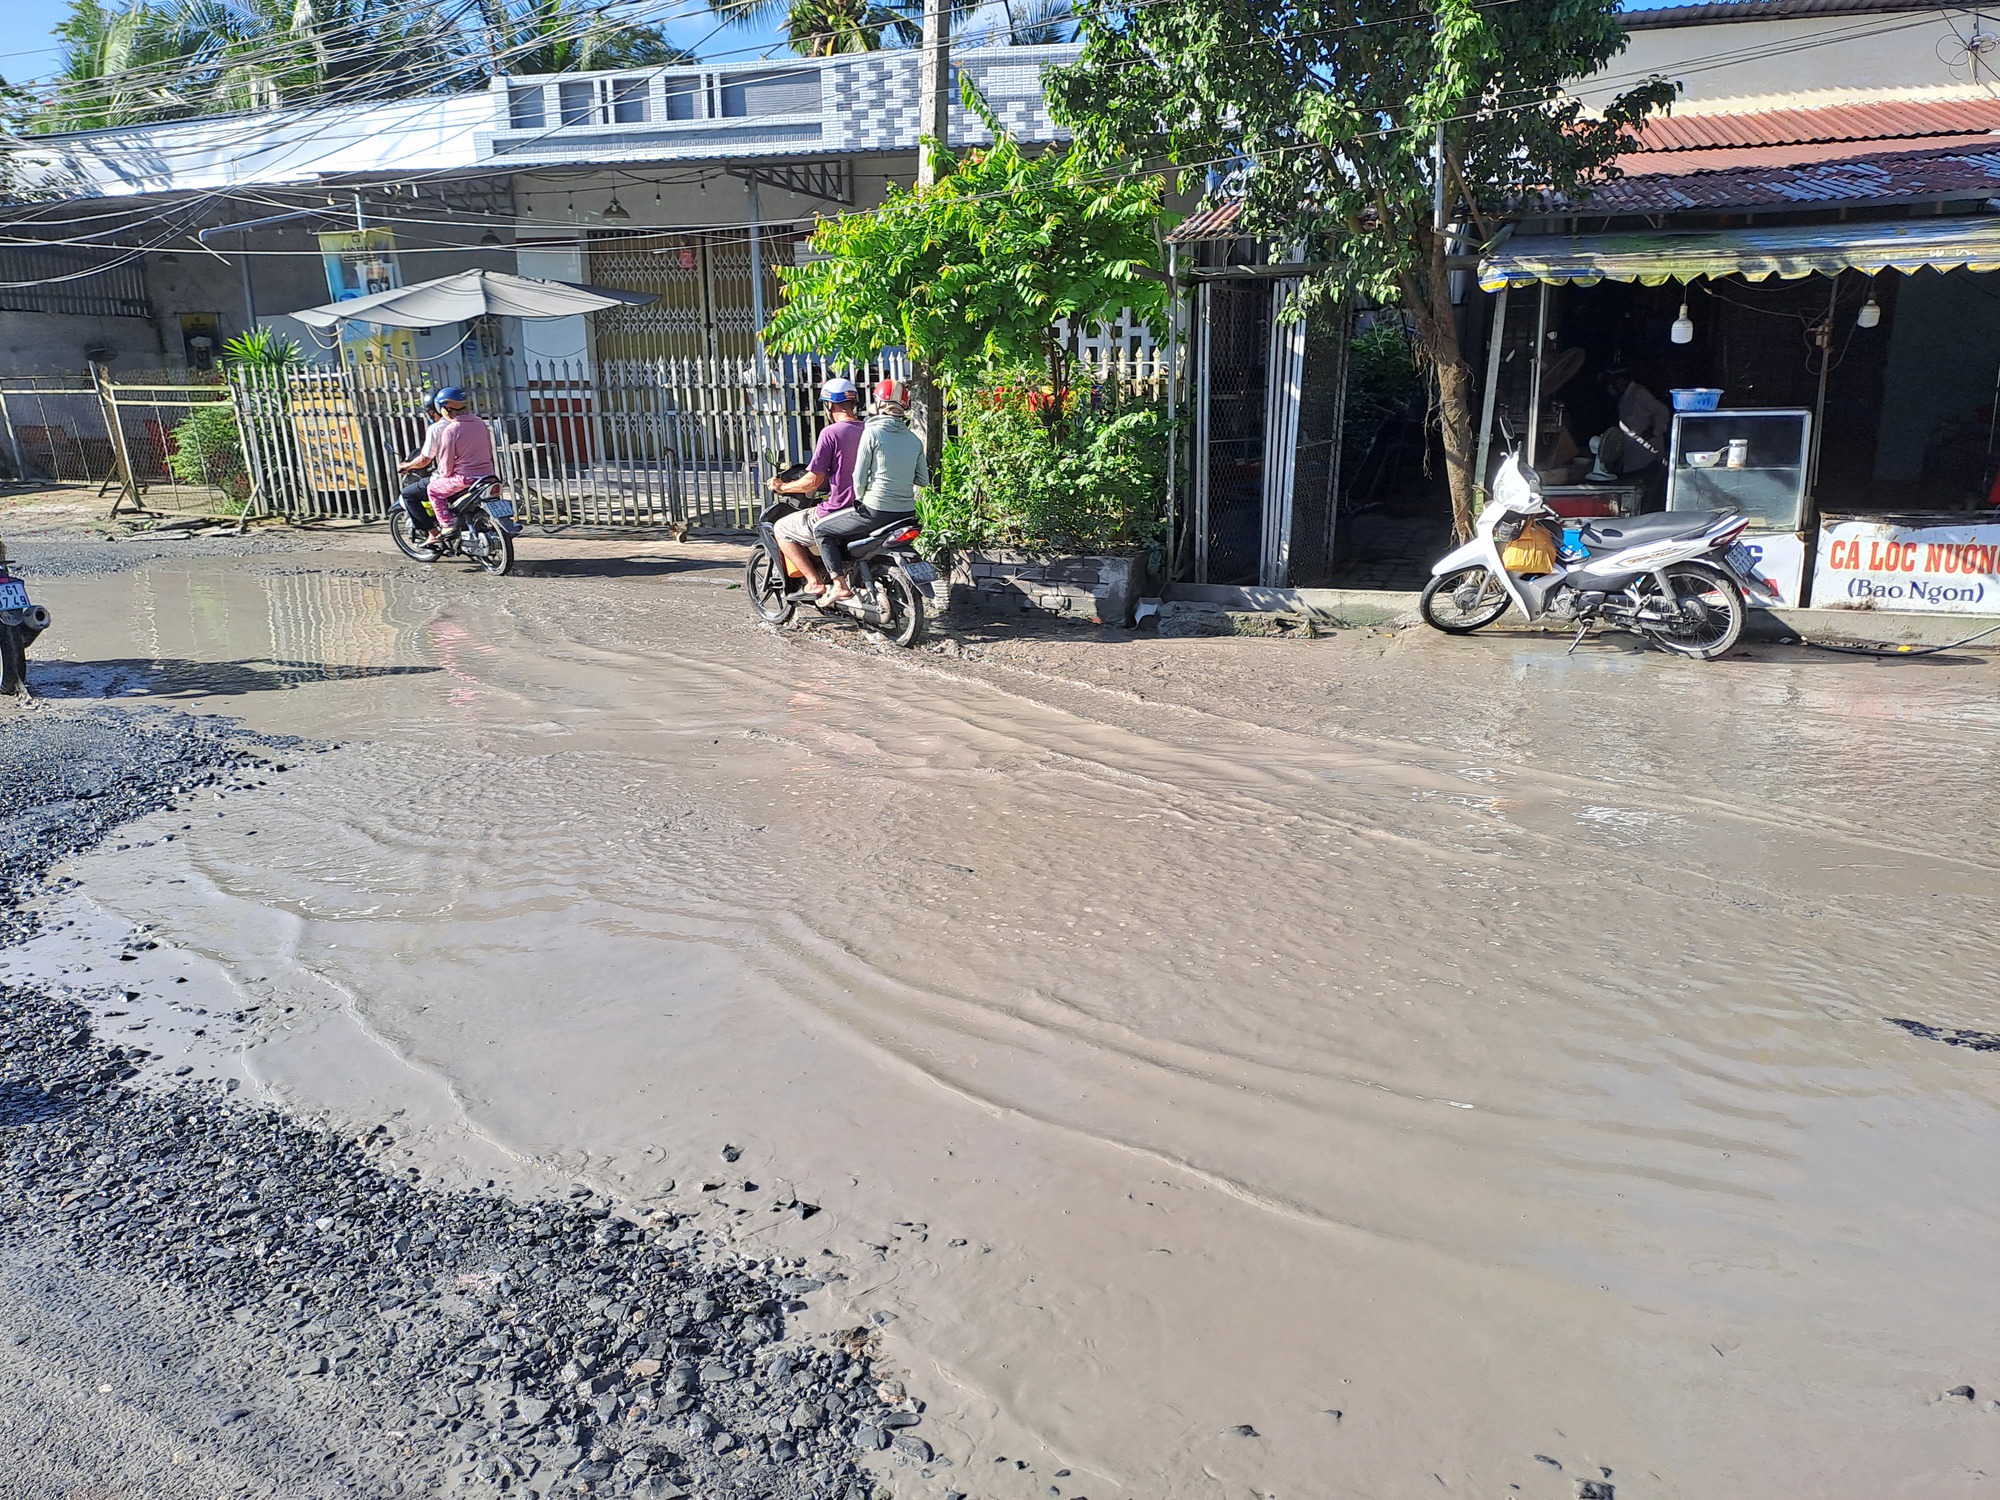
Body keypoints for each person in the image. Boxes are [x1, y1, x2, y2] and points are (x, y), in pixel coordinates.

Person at [815, 378, 927, 603]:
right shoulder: (914, 440)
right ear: (904, 407)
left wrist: (860, 498)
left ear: (878, 403)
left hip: (875, 510)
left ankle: (838, 585)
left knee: (822, 531)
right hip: (906, 513)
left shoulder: (872, 432)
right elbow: (922, 480)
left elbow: (859, 475)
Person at [768, 378, 865, 598]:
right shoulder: (869, 430)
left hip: (840, 508)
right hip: (866, 509)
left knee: (782, 528)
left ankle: (814, 582)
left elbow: (812, 481)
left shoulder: (831, 433)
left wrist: (783, 487)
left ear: (829, 405)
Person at [1589, 369, 1672, 507]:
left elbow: (1662, 410)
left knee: (1647, 492)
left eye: (1615, 382)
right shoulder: (1624, 397)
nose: (1613, 386)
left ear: (1623, 380)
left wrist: (1655, 431)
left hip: (1646, 453)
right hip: (1632, 453)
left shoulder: (1639, 393)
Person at [424, 386, 496, 544]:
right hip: (488, 476)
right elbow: (489, 451)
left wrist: (440, 476)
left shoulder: (451, 430)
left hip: (466, 479)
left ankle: (447, 525)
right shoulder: (480, 423)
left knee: (433, 490)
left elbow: (446, 465)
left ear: (444, 410)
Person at [394, 391, 449, 531]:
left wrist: (407, 465)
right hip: (482, 474)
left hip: (450, 477)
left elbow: (424, 460)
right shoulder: (470, 423)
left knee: (408, 494)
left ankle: (433, 533)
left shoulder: (437, 428)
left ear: (432, 412)